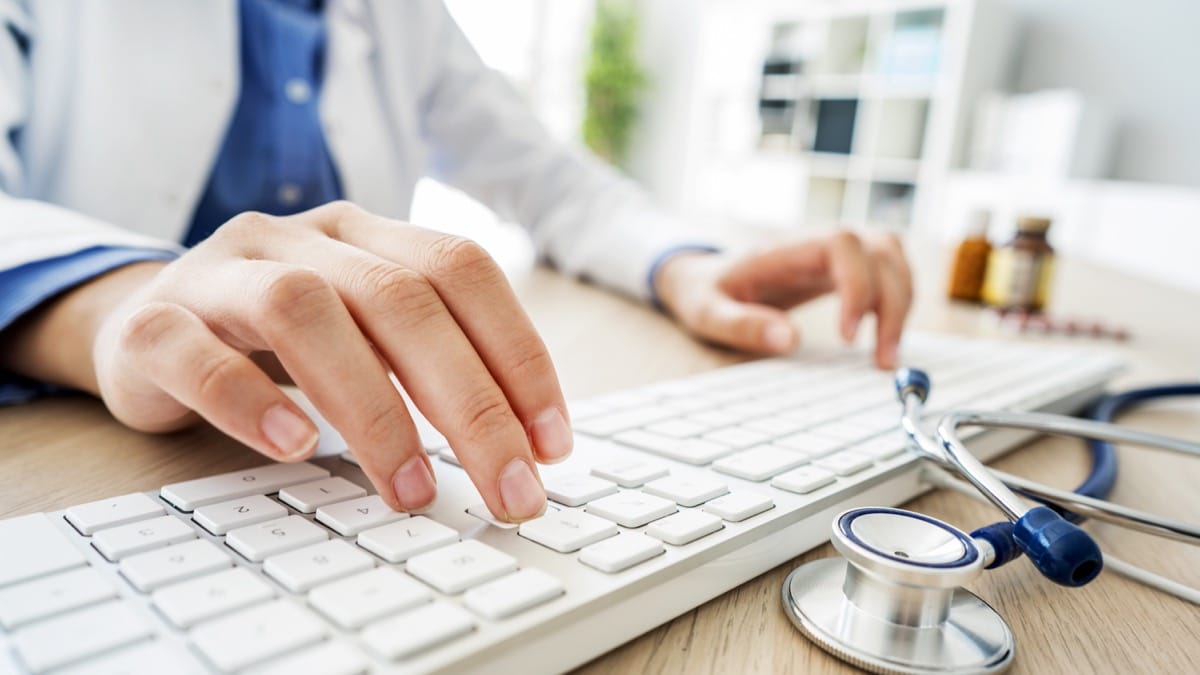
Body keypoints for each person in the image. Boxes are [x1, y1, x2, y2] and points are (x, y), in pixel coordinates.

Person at [0, 1, 911, 523]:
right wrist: (117, 312)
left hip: (341, 438)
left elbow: (550, 179)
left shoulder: (401, 14)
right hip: (93, 450)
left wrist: (684, 263)